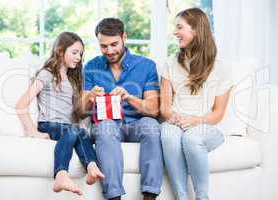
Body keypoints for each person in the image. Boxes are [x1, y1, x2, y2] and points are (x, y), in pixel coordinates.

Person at [76, 18, 163, 200]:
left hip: (136, 123)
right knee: (105, 127)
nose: (109, 51)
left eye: (114, 44)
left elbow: (153, 109)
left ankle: (150, 195)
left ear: (124, 37)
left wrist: (129, 97)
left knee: (152, 125)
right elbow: (80, 112)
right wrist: (90, 97)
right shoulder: (91, 67)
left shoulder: (146, 66)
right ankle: (114, 197)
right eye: (103, 46)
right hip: (108, 123)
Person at [15, 31, 104, 196]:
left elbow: (76, 115)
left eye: (81, 54)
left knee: (79, 130)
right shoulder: (46, 74)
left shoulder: (72, 78)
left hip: (68, 126)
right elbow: (20, 105)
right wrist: (34, 132)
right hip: (49, 124)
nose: (78, 57)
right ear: (60, 51)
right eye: (74, 52)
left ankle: (92, 167)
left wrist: (90, 97)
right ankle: (61, 174)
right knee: (74, 130)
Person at [160, 8, 233, 200]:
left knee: (191, 138)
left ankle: (202, 197)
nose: (175, 32)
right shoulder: (170, 63)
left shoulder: (220, 67)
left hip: (206, 125)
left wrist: (194, 121)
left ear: (196, 30)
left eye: (179, 27)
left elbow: (218, 113)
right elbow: (165, 108)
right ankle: (181, 197)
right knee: (168, 135)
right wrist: (175, 118)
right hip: (176, 123)